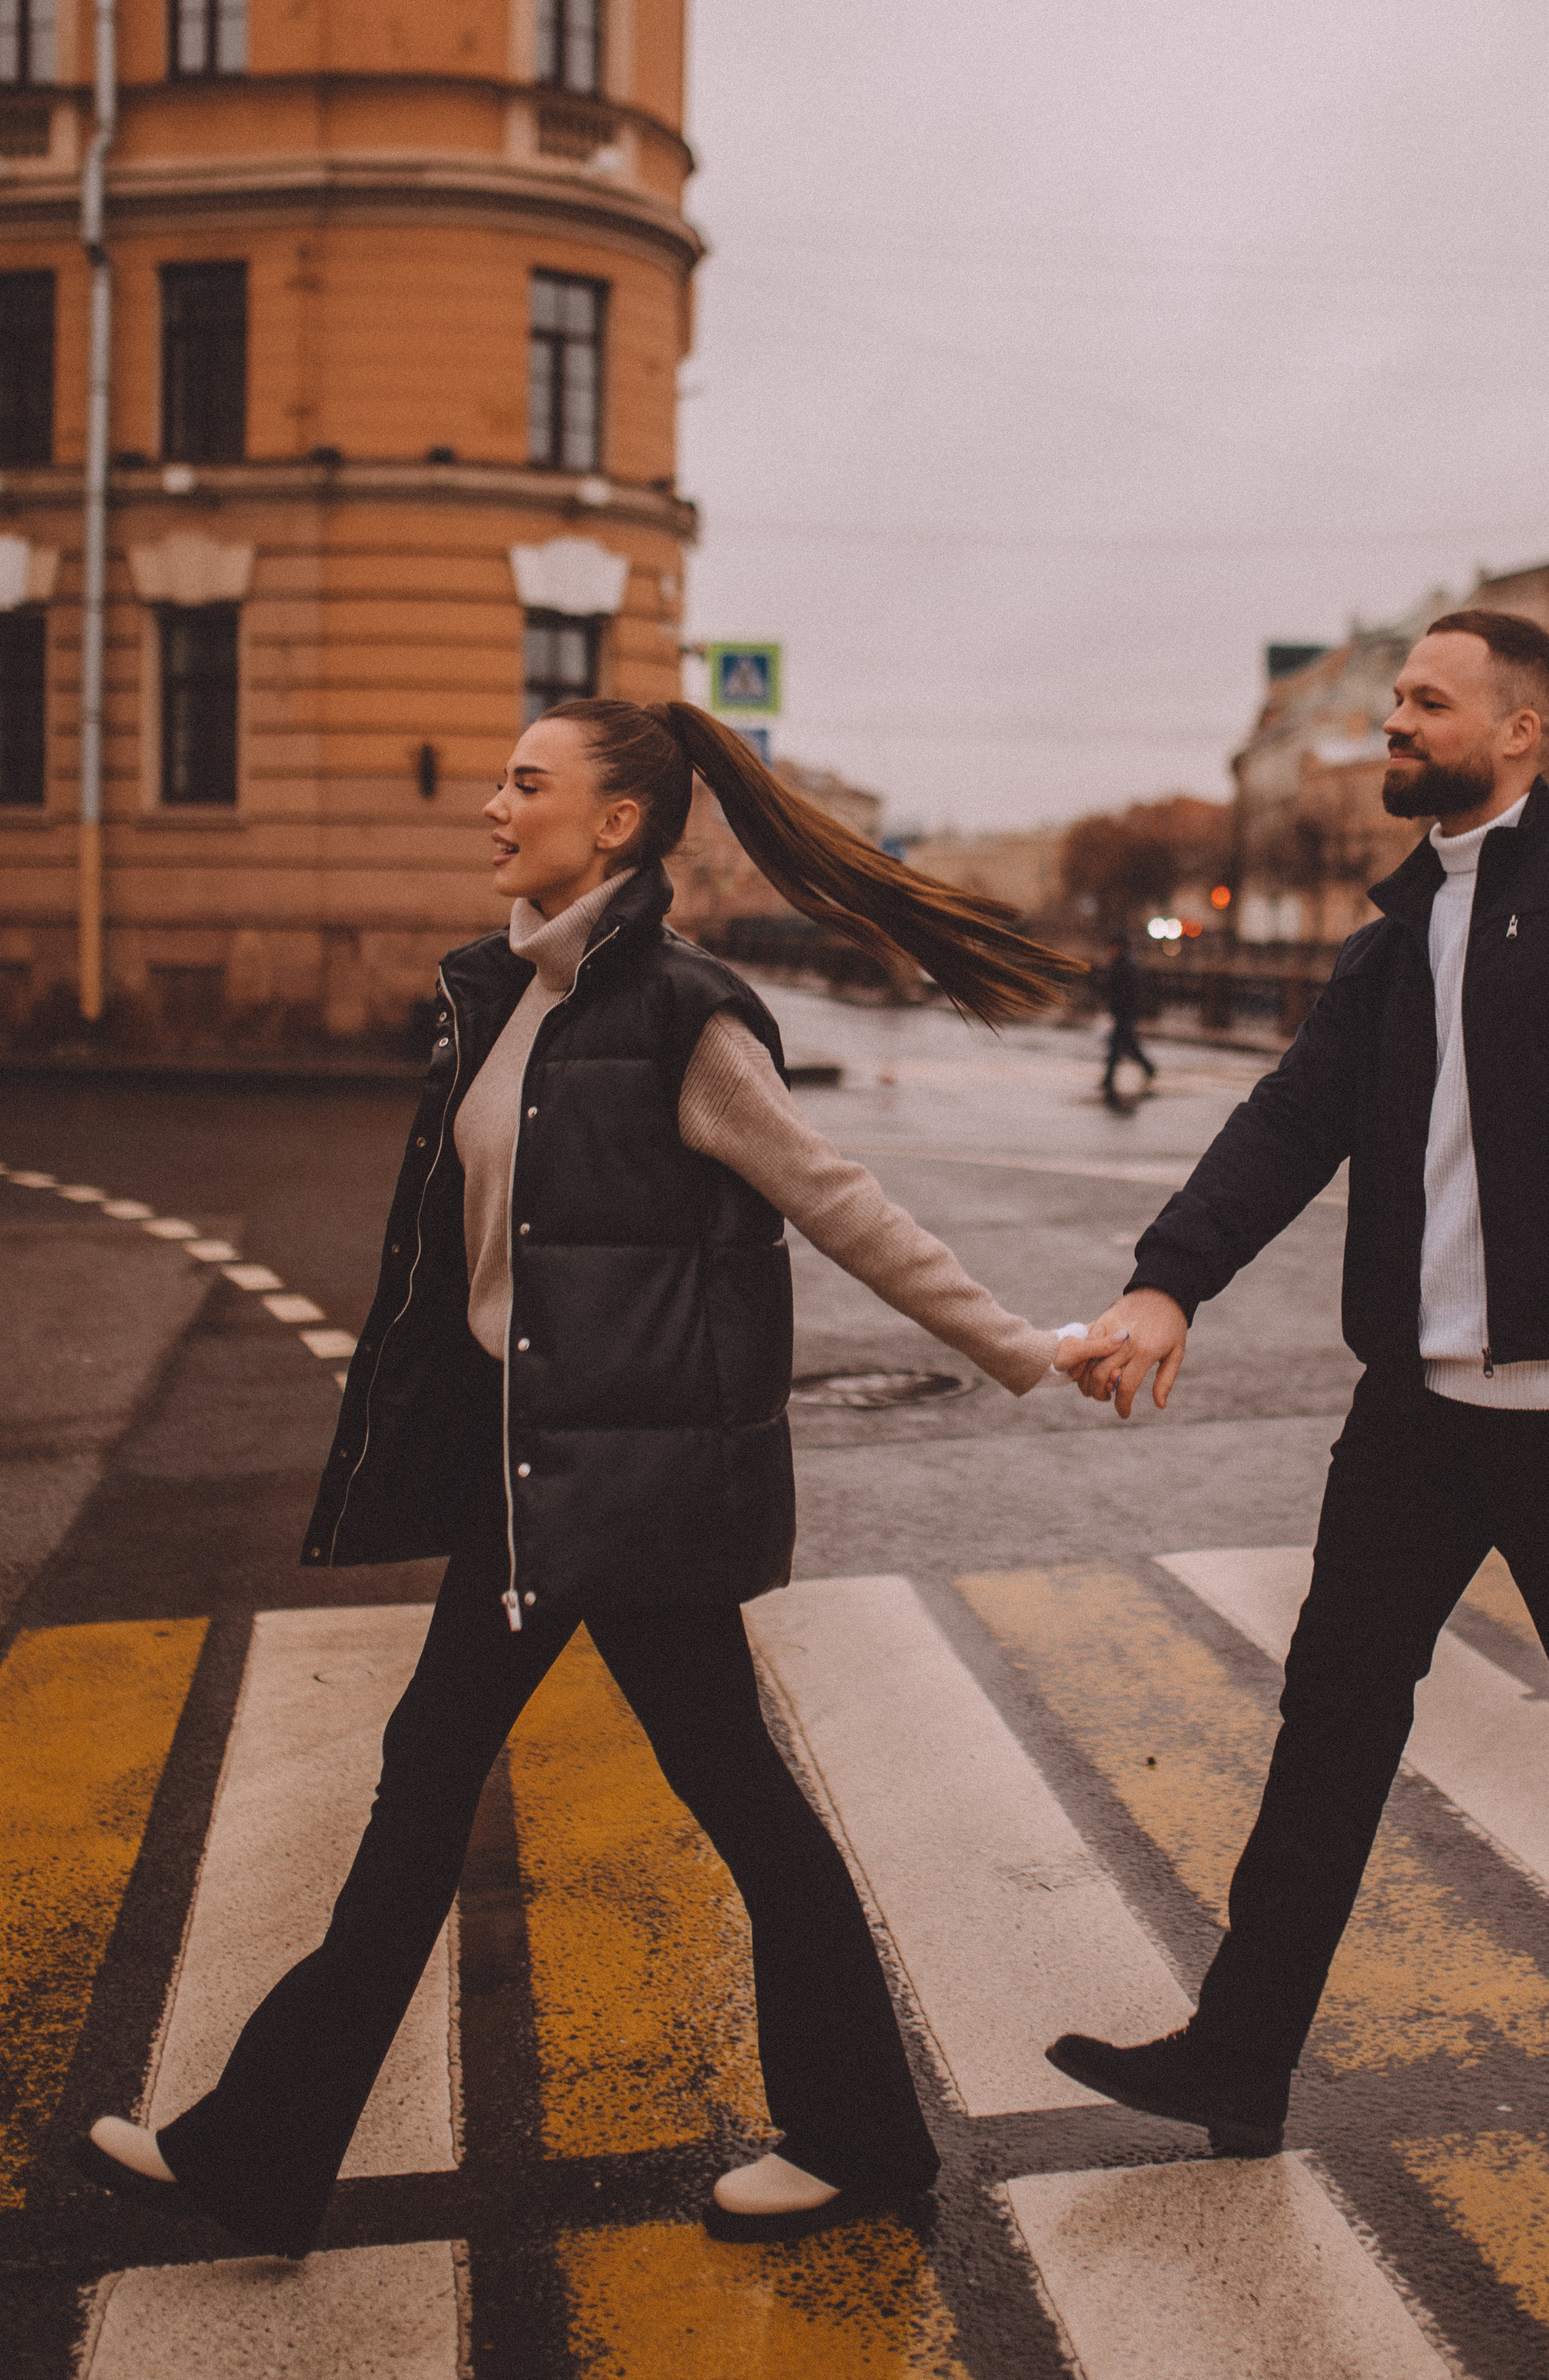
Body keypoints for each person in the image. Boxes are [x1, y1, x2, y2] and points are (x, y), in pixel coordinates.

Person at [78, 698, 1086, 2259]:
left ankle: (852, 2138)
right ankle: (264, 2152)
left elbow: (838, 1200)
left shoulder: (682, 1013)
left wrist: (1025, 1344)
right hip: (524, 1471)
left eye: (524, 784)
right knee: (461, 1790)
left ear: (613, 826)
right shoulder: (510, 994)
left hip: (629, 1495)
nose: (492, 804)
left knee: (697, 1804)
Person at [1049, 607, 1549, 2153]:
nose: (1390, 724)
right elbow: (1288, 1121)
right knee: (1331, 1711)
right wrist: (1163, 1281)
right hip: (1411, 1410)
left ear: (1519, 732)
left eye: (1423, 701)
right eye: (1393, 698)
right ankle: (1238, 2051)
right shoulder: (1399, 926)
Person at [1101, 936, 1157, 1103]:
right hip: (1123, 1012)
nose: (1111, 949)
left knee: (1120, 1044)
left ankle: (1111, 1076)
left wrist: (1121, 1009)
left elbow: (1126, 992)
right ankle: (1111, 1076)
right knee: (1123, 1044)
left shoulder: (1126, 964)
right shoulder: (1123, 962)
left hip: (1125, 1012)